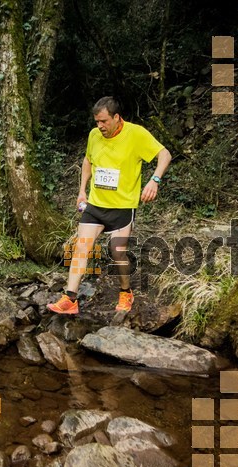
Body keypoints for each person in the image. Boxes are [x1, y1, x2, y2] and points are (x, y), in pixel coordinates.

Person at [47, 96, 171, 315]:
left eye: (104, 121)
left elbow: (165, 154)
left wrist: (155, 180)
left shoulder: (136, 134)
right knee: (81, 247)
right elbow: (88, 160)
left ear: (116, 117)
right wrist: (81, 191)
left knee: (117, 253)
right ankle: (70, 298)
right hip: (95, 204)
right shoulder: (94, 135)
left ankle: (125, 292)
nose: (100, 126)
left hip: (122, 206)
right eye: (97, 122)